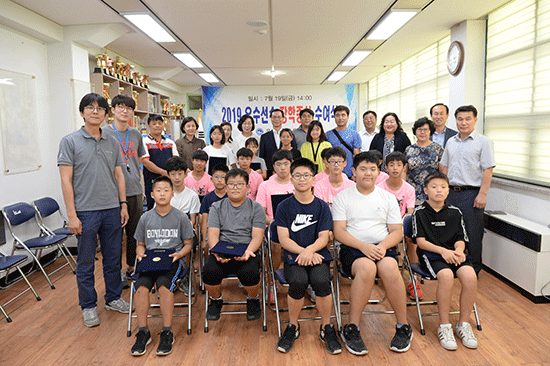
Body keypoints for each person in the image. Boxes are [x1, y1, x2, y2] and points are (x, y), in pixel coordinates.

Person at [58, 93, 131, 328]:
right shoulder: (70, 141)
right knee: (86, 262)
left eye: (100, 108)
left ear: (105, 114)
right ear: (82, 112)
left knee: (113, 259)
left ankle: (113, 298)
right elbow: (65, 180)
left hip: (111, 209)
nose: (95, 111)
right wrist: (71, 215)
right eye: (90, 107)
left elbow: (119, 174)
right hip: (85, 212)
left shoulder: (111, 141)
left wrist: (123, 204)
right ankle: (88, 305)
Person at [332, 152, 413, 355]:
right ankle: (352, 327)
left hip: (382, 246)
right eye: (363, 169)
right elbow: (339, 232)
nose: (368, 173)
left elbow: (396, 231)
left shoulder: (387, 198)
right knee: (367, 267)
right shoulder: (342, 197)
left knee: (389, 266)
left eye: (372, 169)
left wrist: (383, 247)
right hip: (353, 248)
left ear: (379, 172)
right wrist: (363, 246)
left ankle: (403, 326)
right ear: (353, 172)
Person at [274, 158, 342, 354]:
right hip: (294, 256)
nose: (301, 179)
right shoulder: (284, 207)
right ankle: (293, 326)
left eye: (306, 175)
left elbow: (324, 237)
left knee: (321, 281)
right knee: (298, 281)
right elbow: (283, 239)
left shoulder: (321, 206)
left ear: (314, 179)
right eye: (297, 175)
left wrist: (310, 251)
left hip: (318, 256)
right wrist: (303, 252)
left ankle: (326, 327)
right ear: (291, 179)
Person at [411, 171, 479, 351]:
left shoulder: (455, 212)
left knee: (471, 276)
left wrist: (458, 250)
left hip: (454, 254)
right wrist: (443, 252)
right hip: (431, 255)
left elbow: (460, 237)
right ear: (426, 190)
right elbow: (421, 242)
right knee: (447, 276)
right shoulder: (419, 212)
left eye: (443, 187)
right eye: (434, 187)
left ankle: (463, 324)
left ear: (448, 191)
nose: (438, 191)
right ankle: (444, 326)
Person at [130, 176, 194, 357]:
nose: (162, 193)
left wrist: (179, 255)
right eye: (158, 190)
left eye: (166, 190)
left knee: (165, 287)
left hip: (172, 260)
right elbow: (140, 244)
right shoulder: (145, 218)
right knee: (141, 288)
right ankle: (143, 332)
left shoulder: (181, 217)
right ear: (152, 194)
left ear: (172, 194)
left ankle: (167, 331)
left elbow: (188, 244)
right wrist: (140, 253)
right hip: (149, 261)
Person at [202, 169, 266, 321]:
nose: (235, 188)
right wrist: (216, 251)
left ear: (248, 187)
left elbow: (257, 236)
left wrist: (248, 251)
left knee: (250, 273)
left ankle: (253, 299)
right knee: (209, 271)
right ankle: (216, 299)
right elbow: (213, 234)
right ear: (226, 186)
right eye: (231, 184)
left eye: (239, 184)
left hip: (247, 249)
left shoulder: (256, 208)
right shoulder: (217, 207)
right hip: (222, 249)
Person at [439, 105, 495, 274]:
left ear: (475, 120)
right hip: (450, 193)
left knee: (473, 233)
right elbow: (444, 165)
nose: (463, 123)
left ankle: (474, 268)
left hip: (472, 194)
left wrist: (482, 194)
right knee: (450, 230)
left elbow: (488, 169)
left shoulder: (484, 142)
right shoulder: (451, 141)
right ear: (455, 121)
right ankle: (454, 265)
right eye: (460, 119)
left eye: (467, 119)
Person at [104, 94, 146, 283]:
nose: (124, 111)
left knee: (134, 234)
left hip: (135, 190)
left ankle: (132, 268)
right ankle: (117, 273)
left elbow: (138, 161)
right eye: (120, 106)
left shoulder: (136, 134)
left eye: (128, 108)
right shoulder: (104, 133)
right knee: (114, 237)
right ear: (112, 110)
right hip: (112, 193)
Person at [376, 151, 419, 299]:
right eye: (391, 165)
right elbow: (377, 212)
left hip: (401, 226)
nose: (395, 168)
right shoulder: (379, 188)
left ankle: (414, 280)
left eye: (399, 165)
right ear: (386, 167)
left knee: (413, 241)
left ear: (404, 167)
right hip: (382, 225)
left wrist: (399, 227)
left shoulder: (409, 189)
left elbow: (410, 213)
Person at [142, 114, 179, 210]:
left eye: (159, 123)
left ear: (163, 125)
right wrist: (163, 172)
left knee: (170, 205)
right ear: (149, 126)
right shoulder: (144, 142)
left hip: (169, 180)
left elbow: (176, 161)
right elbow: (146, 162)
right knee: (153, 206)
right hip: (152, 181)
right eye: (154, 124)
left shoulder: (170, 142)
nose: (157, 126)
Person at [405, 117, 445, 206]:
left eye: (426, 130)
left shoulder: (438, 149)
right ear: (415, 132)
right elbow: (405, 172)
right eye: (419, 129)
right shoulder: (409, 150)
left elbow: (443, 172)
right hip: (413, 194)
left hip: (433, 194)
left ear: (431, 131)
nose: (422, 132)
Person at [325, 105, 362, 179]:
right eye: (337, 115)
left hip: (349, 174)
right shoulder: (327, 135)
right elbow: (326, 156)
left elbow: (357, 157)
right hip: (332, 174)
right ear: (334, 117)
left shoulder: (354, 134)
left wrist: (355, 173)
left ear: (348, 117)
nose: (340, 118)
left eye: (343, 115)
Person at [260, 108, 297, 177]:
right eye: (274, 117)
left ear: (283, 119)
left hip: (287, 173)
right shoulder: (264, 137)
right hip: (269, 172)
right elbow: (262, 156)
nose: (276, 119)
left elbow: (293, 152)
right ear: (271, 119)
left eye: (279, 117)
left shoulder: (290, 135)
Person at [199, 164, 229, 250]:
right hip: (211, 230)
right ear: (211, 179)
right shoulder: (207, 198)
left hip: (228, 231)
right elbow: (205, 220)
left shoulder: (231, 196)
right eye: (216, 177)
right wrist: (204, 239)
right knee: (209, 244)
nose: (219, 180)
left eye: (223, 177)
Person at [165, 157, 200, 229]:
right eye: (173, 174)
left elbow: (193, 221)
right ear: (168, 175)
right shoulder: (164, 195)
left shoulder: (193, 196)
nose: (177, 177)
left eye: (180, 174)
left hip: (186, 231)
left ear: (185, 174)